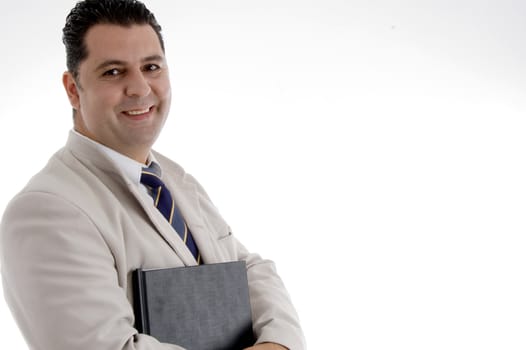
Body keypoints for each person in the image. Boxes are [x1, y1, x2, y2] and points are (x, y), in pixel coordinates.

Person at [0, 1, 305, 349]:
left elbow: (252, 271)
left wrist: (278, 343)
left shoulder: (172, 181)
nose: (141, 88)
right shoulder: (46, 212)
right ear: (73, 89)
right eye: (113, 72)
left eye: (151, 67)